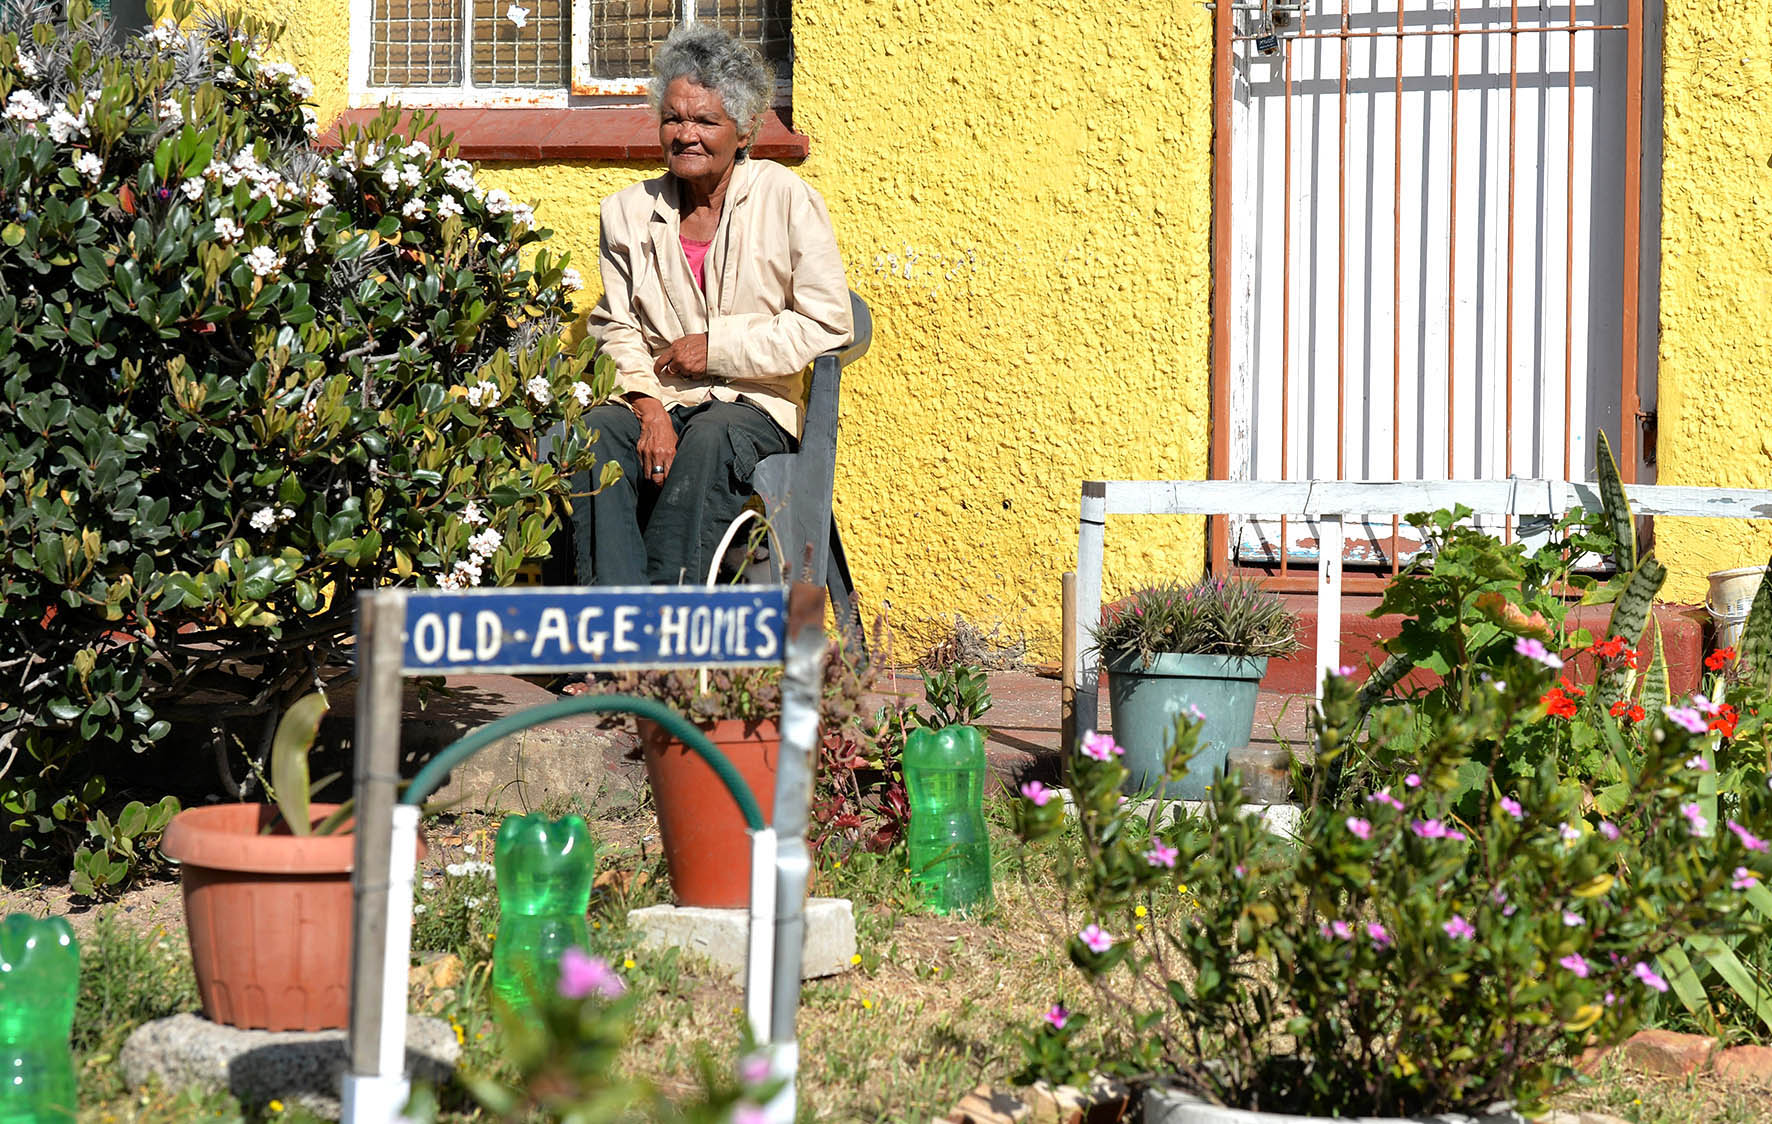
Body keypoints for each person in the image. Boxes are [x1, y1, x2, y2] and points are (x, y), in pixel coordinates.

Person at [581, 25, 853, 586]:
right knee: (596, 434)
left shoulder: (785, 198)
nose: (686, 135)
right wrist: (648, 407)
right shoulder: (625, 212)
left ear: (744, 128)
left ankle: (659, 647)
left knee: (710, 437)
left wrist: (718, 348)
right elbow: (616, 326)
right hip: (656, 396)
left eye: (706, 121)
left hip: (750, 404)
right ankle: (604, 642)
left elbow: (827, 324)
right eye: (674, 118)